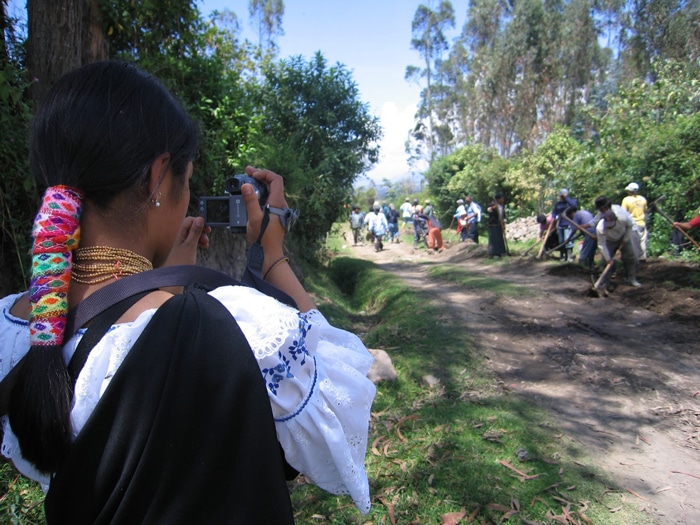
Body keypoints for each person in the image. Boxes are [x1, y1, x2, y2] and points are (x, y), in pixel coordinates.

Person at [0, 61, 375, 522]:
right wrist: (273, 256)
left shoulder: (15, 331)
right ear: (158, 178)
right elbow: (345, 417)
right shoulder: (241, 325)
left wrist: (166, 283)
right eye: (187, 178)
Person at [592, 196, 641, 288]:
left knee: (631, 257)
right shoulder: (600, 228)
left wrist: (625, 240)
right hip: (609, 241)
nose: (609, 227)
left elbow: (630, 227)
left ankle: (632, 279)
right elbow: (601, 245)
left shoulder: (622, 218)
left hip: (623, 237)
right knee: (605, 262)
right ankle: (605, 282)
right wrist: (608, 259)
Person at [621, 182, 648, 260]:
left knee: (634, 243)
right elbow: (645, 210)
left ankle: (635, 258)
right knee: (642, 241)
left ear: (630, 191)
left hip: (632, 224)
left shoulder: (626, 200)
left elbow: (623, 213)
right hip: (642, 223)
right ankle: (643, 257)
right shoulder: (643, 199)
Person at [552, 189, 578, 261]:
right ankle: (563, 255)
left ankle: (570, 256)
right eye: (561, 196)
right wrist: (554, 217)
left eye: (562, 196)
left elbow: (575, 206)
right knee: (561, 241)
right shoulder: (558, 204)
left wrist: (567, 198)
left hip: (569, 224)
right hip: (560, 225)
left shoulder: (570, 202)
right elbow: (554, 212)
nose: (561, 197)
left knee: (569, 241)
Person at [487, 193, 507, 257]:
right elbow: (488, 210)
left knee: (500, 239)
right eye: (502, 198)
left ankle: (501, 252)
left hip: (499, 224)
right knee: (494, 239)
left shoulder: (502, 206)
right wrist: (493, 208)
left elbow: (503, 214)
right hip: (493, 224)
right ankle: (494, 253)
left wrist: (504, 220)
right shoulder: (492, 205)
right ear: (498, 199)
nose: (503, 199)